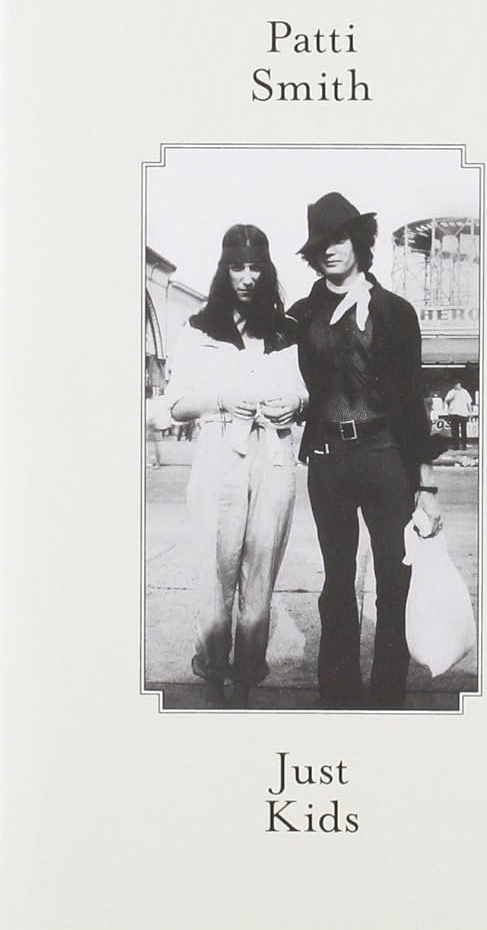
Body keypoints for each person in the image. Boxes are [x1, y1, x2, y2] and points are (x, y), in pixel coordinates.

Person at [287, 192, 447, 709]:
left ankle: (386, 697)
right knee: (337, 582)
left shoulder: (395, 312)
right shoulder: (301, 314)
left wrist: (426, 485)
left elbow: (411, 400)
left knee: (394, 580)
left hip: (385, 456)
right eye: (320, 243)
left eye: (339, 238)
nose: (330, 250)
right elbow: (276, 373)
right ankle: (338, 693)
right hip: (328, 461)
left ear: (358, 241)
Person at [166, 224, 307, 709]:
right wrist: (221, 399)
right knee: (214, 573)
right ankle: (211, 679)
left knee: (261, 574)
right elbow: (176, 404)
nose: (247, 277)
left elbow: (307, 391)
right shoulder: (200, 329)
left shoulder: (286, 332)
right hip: (219, 453)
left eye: (255, 267)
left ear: (267, 271)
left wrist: (296, 404)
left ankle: (245, 682)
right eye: (237, 267)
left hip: (275, 455)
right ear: (224, 270)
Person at [444, 380, 472, 450]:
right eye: (456, 384)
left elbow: (469, 403)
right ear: (454, 385)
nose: (457, 386)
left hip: (463, 413)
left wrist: (470, 412)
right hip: (453, 413)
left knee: (463, 430)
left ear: (460, 384)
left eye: (458, 384)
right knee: (454, 431)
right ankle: (456, 446)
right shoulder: (451, 392)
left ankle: (464, 445)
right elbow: (446, 401)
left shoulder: (465, 392)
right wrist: (452, 397)